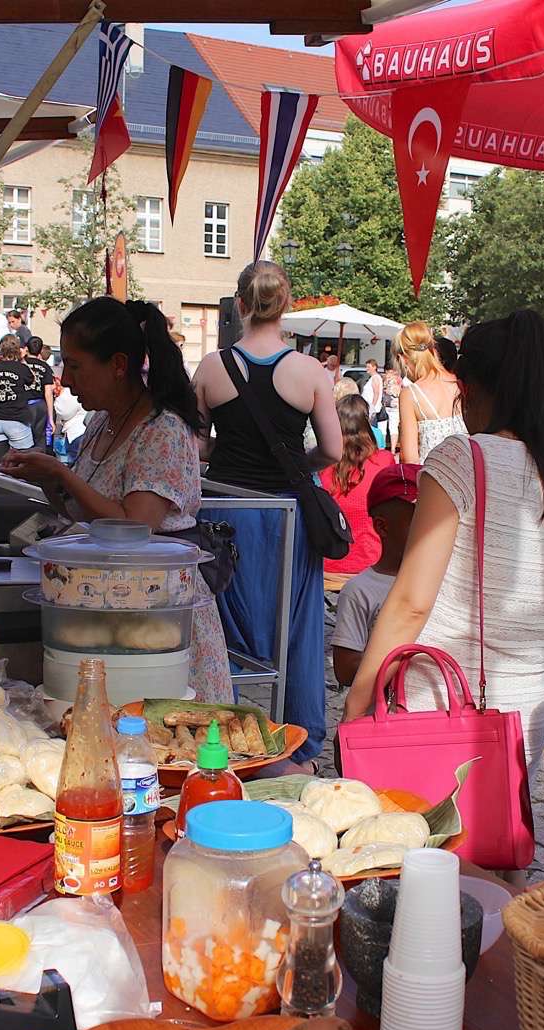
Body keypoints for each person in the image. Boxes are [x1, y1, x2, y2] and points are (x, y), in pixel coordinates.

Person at [345, 308, 544, 769]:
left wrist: (358, 702)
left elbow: (411, 602)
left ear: (472, 390)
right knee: (492, 835)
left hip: (439, 706)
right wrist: (540, 707)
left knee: (419, 835)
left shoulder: (462, 459)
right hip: (523, 718)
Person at [0, 299, 232, 702]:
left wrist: (61, 474)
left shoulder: (162, 430)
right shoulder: (103, 423)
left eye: (75, 366)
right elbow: (84, 513)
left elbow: (135, 525)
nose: (65, 380)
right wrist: (49, 480)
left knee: (158, 735)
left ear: (118, 364)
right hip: (106, 610)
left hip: (159, 621)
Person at [194, 261, 342, 763]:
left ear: (239, 305)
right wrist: (298, 465)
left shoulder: (212, 367)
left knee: (221, 625)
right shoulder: (309, 370)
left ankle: (225, 739)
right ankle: (299, 744)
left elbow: (195, 447)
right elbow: (334, 450)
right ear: (287, 305)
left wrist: (225, 452)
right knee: (296, 625)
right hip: (289, 513)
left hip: (227, 512)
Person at [331, 463, 420, 686]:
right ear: (382, 527)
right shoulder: (359, 591)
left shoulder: (446, 581)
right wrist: (408, 661)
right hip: (385, 715)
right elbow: (345, 669)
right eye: (418, 521)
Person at [321, 394, 397, 582]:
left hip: (328, 564)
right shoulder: (384, 461)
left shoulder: (324, 465)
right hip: (371, 565)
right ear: (367, 423)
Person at [397, 321, 465, 464]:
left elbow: (410, 459)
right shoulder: (459, 384)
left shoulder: (410, 395)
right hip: (467, 477)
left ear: (403, 359)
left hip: (431, 480)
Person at [0, 333, 37, 453]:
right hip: (16, 419)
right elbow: (33, 380)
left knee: (1, 463)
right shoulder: (21, 368)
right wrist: (22, 360)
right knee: (25, 459)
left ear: (0, 349)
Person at [23, 335, 56, 448]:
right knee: (40, 439)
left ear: (26, 348)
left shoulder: (21, 364)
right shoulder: (45, 366)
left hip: (23, 405)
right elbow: (48, 392)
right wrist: (50, 417)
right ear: (41, 350)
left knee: (23, 440)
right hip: (40, 406)